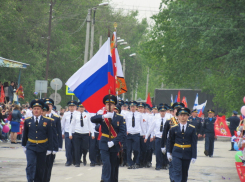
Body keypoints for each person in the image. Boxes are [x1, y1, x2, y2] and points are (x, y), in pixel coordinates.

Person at [91, 94, 126, 182]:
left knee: (114, 165)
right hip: (104, 143)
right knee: (106, 163)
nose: (109, 106)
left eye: (111, 104)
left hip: (114, 143)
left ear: (114, 106)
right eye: (107, 104)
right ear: (105, 106)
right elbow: (92, 119)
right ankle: (105, 180)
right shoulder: (102, 116)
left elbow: (122, 133)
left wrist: (114, 142)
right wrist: (103, 116)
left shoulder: (119, 118)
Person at [22, 99, 53, 182]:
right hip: (31, 146)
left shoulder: (47, 121)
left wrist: (50, 148)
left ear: (41, 110)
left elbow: (50, 135)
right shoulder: (28, 121)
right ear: (32, 110)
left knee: (40, 167)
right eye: (34, 109)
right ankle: (30, 179)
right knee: (30, 164)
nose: (36, 110)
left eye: (38, 109)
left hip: (42, 147)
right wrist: (24, 145)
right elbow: (25, 134)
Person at [168, 107, 197, 182]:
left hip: (187, 153)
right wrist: (169, 152)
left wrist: (194, 156)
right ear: (178, 116)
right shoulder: (174, 128)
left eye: (185, 115)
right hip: (176, 152)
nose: (183, 117)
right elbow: (171, 141)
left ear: (188, 116)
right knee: (177, 171)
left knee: (184, 173)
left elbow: (194, 143)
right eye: (181, 115)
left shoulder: (192, 128)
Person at [161, 102, 185, 182]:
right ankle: (173, 179)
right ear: (173, 111)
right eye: (176, 109)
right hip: (171, 145)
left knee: (181, 164)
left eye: (179, 109)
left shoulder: (185, 121)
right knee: (171, 163)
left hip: (182, 145)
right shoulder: (169, 122)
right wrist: (162, 146)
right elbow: (164, 134)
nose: (177, 111)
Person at [43, 98, 61, 182]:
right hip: (42, 144)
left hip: (52, 145)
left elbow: (58, 132)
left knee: (49, 165)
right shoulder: (41, 116)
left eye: (49, 105)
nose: (48, 107)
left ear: (52, 106)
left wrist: (58, 146)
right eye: (46, 105)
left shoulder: (56, 118)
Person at [69, 102, 92, 167]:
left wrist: (92, 133)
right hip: (77, 133)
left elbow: (90, 124)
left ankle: (84, 156)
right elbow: (72, 125)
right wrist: (70, 133)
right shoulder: (75, 115)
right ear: (78, 108)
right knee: (77, 148)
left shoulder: (87, 115)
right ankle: (77, 162)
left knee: (85, 148)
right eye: (80, 107)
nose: (81, 108)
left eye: (83, 107)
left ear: (84, 108)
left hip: (85, 133)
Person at [145, 105, 168, 170]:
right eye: (161, 111)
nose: (162, 112)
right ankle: (158, 164)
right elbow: (151, 128)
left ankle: (165, 164)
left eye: (163, 111)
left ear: (165, 112)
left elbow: (170, 129)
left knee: (165, 152)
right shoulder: (156, 120)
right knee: (158, 152)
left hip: (165, 138)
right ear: (159, 112)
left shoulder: (168, 120)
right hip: (158, 138)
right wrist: (147, 136)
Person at [125, 101, 145, 169]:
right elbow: (125, 124)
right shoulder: (127, 115)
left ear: (136, 107)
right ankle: (130, 163)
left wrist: (144, 133)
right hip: (129, 133)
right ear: (130, 107)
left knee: (136, 150)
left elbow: (142, 124)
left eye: (133, 107)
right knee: (129, 150)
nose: (132, 108)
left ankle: (135, 162)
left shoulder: (139, 115)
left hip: (136, 134)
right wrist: (126, 131)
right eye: (131, 107)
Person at [61, 100, 77, 166]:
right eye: (70, 106)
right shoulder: (65, 114)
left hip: (75, 132)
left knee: (75, 147)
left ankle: (75, 160)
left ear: (75, 107)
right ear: (68, 107)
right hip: (67, 132)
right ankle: (68, 161)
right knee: (68, 147)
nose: (72, 108)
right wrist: (62, 132)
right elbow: (63, 124)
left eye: (73, 106)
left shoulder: (77, 114)